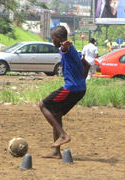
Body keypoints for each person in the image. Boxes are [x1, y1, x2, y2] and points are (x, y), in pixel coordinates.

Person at [39, 25, 90, 159]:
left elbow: (64, 48)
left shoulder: (65, 49)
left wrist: (64, 46)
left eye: (53, 38)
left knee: (43, 105)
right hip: (80, 89)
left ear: (59, 38)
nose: (52, 41)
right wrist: (80, 81)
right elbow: (87, 65)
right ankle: (56, 152)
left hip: (71, 88)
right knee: (56, 114)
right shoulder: (75, 51)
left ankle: (63, 135)